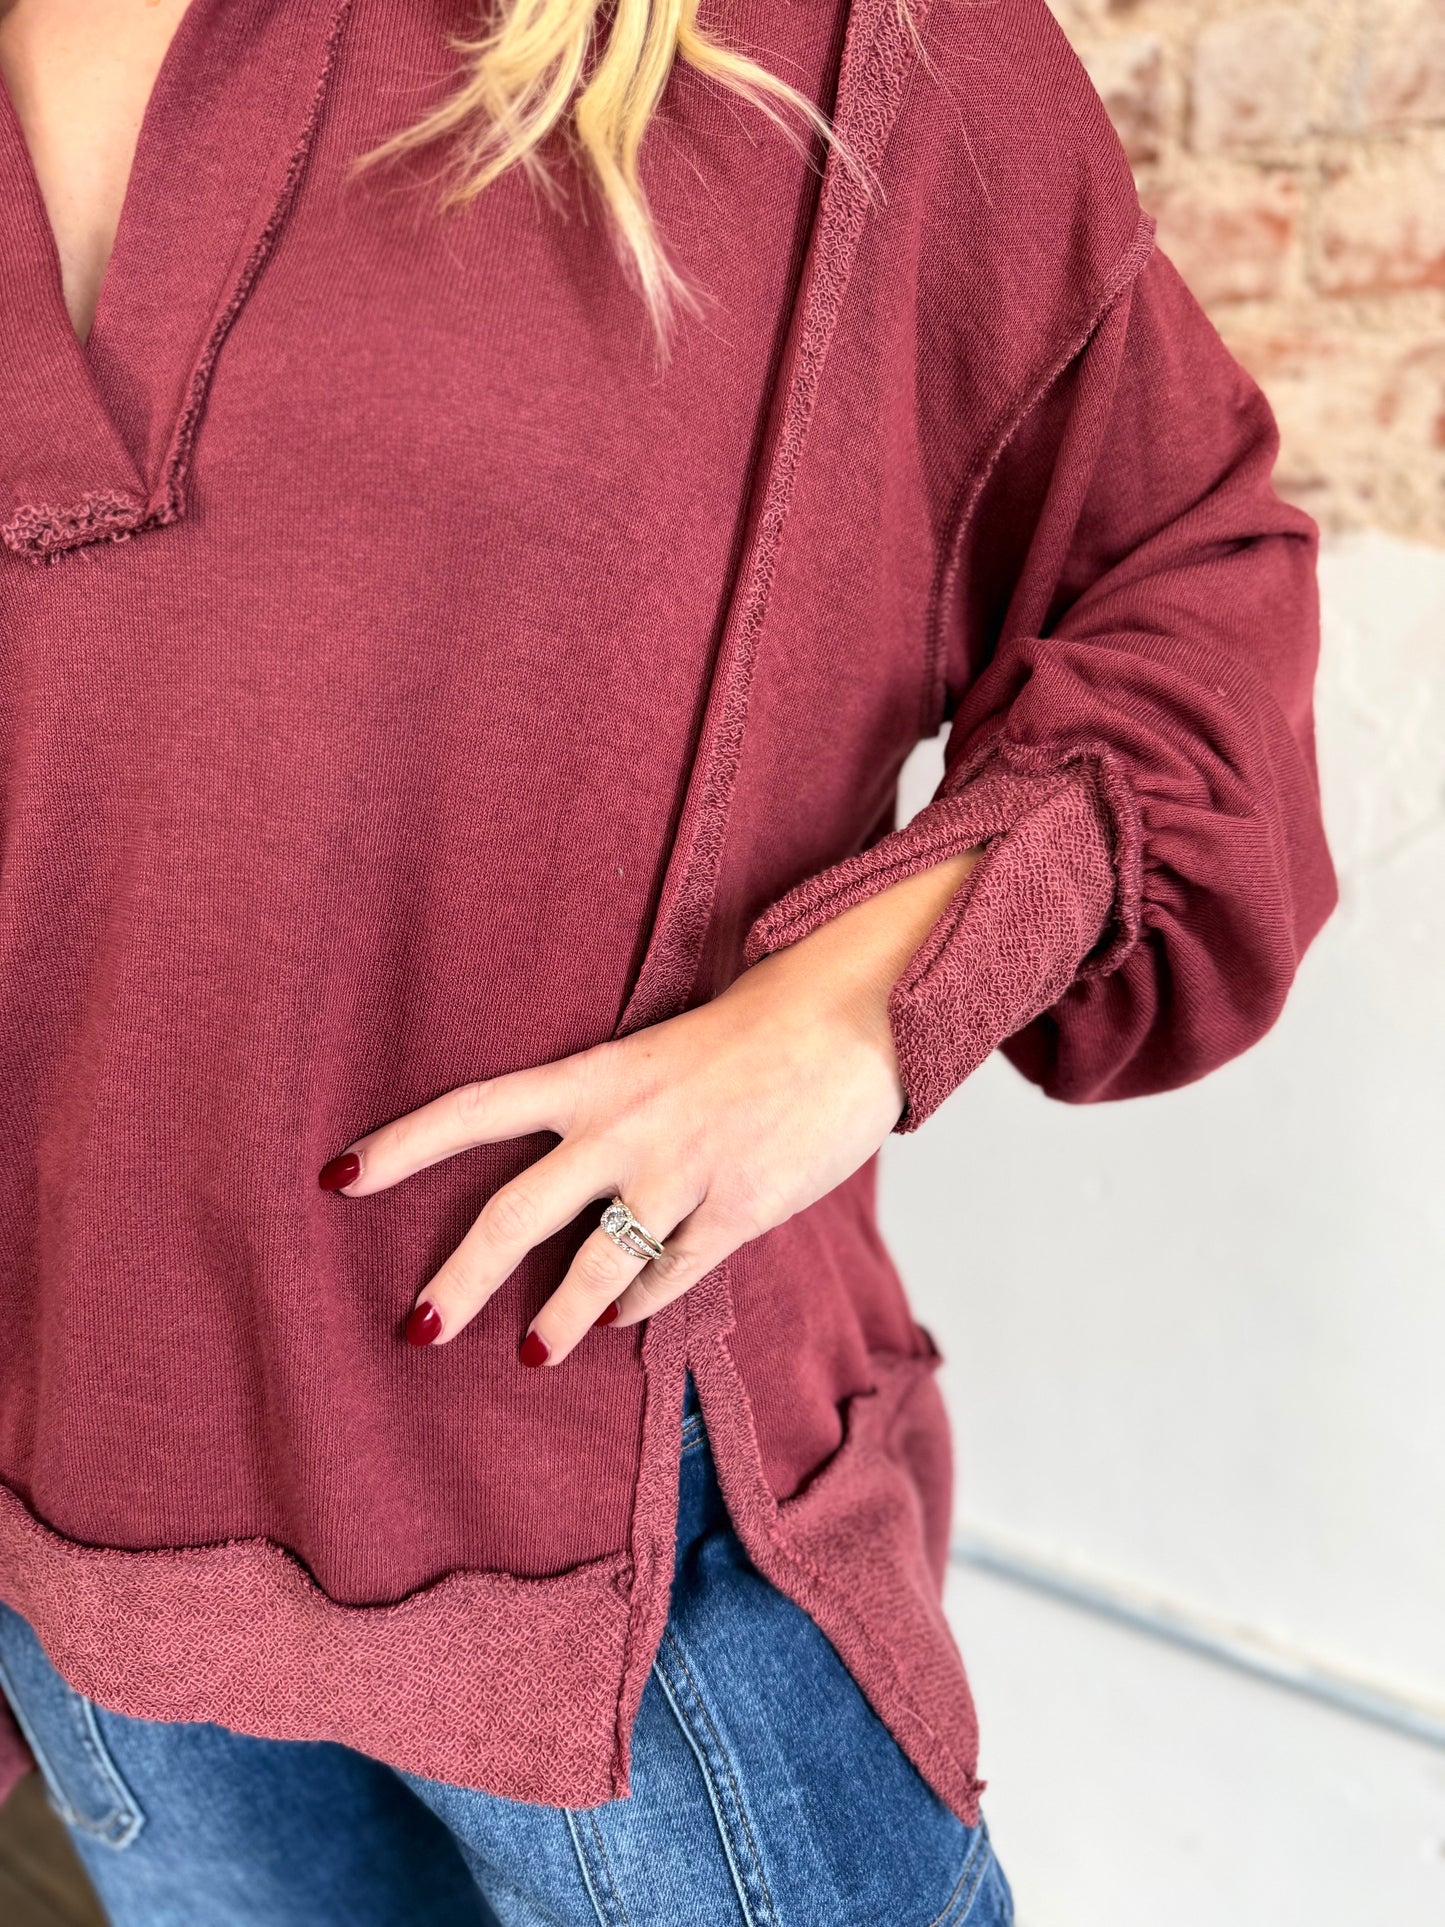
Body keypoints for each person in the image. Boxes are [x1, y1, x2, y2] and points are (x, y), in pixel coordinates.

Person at [0, 1, 1335, 1921]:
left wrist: (862, 1008)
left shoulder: (810, 39)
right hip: (82, 1538)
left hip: (610, 1537)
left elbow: (1186, 575)